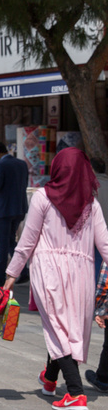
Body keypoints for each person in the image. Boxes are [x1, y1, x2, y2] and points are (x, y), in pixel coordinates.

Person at [3, 148, 108, 410]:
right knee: (65, 326)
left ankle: (75, 393)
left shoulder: (42, 197)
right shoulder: (92, 204)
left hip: (48, 270)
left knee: (57, 327)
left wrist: (11, 275)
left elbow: (27, 241)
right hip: (82, 274)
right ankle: (50, 380)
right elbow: (105, 245)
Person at [0, 141, 30, 288]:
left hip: (4, 210)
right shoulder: (22, 164)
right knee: (11, 242)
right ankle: (23, 270)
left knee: (3, 245)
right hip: (18, 208)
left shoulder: (2, 165)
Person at [86, 157, 108, 392]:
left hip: (97, 241)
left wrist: (99, 307)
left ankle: (103, 377)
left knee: (99, 276)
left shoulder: (91, 190)